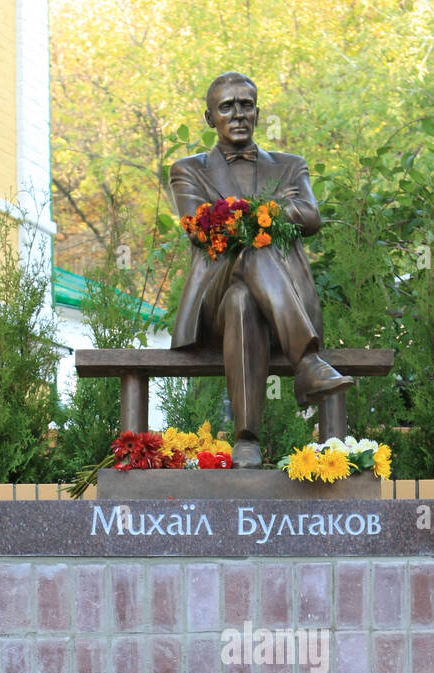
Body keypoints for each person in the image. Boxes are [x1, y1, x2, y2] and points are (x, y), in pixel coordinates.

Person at [169, 71, 353, 467]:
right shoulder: (187, 170)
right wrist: (268, 213)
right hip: (212, 303)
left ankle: (246, 440)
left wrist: (244, 215)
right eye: (226, 107)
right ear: (209, 118)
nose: (238, 114)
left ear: (257, 112)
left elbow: (310, 216)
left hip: (267, 308)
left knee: (243, 300)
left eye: (246, 105)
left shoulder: (289, 166)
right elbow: (199, 229)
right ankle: (307, 362)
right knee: (255, 247)